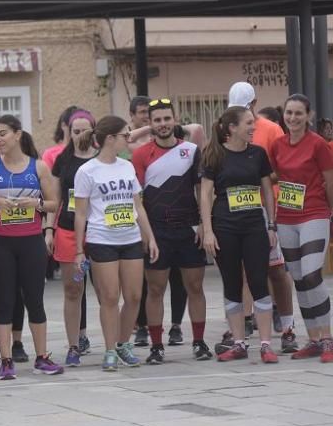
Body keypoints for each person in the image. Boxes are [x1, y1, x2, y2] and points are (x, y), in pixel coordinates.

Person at [0, 115, 63, 379]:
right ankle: (5, 361)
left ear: (18, 135)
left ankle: (41, 356)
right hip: (0, 242)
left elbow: (53, 203)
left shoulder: (38, 168)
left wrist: (34, 205)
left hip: (31, 241)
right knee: (3, 300)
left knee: (35, 300)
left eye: (3, 133)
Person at [74, 115, 159, 372]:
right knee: (110, 297)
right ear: (110, 138)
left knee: (134, 296)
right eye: (125, 134)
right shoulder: (87, 171)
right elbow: (80, 212)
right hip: (102, 239)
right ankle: (110, 350)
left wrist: (150, 237)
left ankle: (123, 344)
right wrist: (79, 249)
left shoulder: (127, 166)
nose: (129, 137)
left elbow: (138, 205)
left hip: (130, 237)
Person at [131, 98, 211, 364]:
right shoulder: (141, 154)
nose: (163, 124)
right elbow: (136, 198)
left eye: (167, 119)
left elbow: (203, 191)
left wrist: (203, 224)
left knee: (195, 286)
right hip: (157, 231)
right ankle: (156, 346)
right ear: (150, 123)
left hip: (188, 229)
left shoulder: (191, 150)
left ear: (175, 120)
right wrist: (146, 234)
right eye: (157, 120)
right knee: (155, 289)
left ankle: (199, 342)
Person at [199, 106, 280, 364]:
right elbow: (204, 195)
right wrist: (208, 231)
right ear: (232, 127)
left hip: (254, 226)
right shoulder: (215, 155)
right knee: (232, 285)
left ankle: (266, 344)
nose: (253, 127)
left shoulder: (257, 154)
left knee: (258, 282)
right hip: (225, 227)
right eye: (248, 123)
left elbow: (267, 190)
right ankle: (239, 343)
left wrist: (271, 225)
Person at [228, 81, 297, 344]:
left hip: (269, 209)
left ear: (254, 104)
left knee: (277, 271)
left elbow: (285, 166)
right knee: (244, 270)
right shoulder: (226, 127)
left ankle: (287, 325)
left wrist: (264, 180)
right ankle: (245, 320)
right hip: (237, 212)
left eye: (244, 110)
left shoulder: (271, 130)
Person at [268, 95, 333, 362]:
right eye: (288, 113)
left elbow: (330, 182)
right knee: (298, 278)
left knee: (311, 274)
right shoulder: (277, 145)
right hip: (287, 217)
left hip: (315, 213)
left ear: (308, 115)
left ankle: (328, 339)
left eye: (298, 113)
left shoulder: (318, 145)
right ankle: (313, 339)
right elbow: (273, 175)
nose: (292, 118)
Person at [47, 110, 97, 366]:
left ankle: (116, 343)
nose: (80, 135)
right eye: (75, 131)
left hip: (99, 232)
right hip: (68, 232)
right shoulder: (62, 162)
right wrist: (49, 229)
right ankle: (74, 346)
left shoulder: (102, 159)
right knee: (74, 288)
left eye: (84, 130)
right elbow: (55, 201)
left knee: (107, 290)